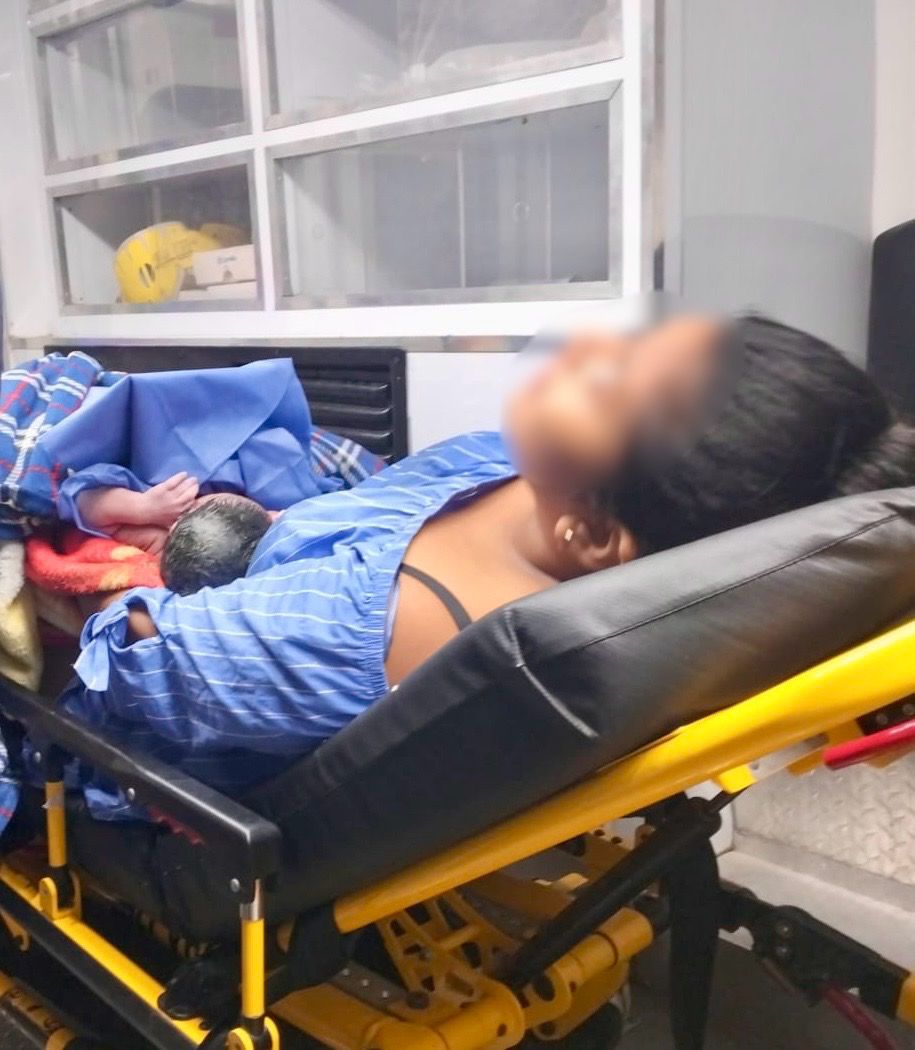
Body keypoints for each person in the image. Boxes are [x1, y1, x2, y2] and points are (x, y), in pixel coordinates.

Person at [65, 314, 915, 809]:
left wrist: (108, 568)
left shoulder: (343, 634)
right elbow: (385, 493)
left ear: (592, 535)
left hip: (153, 757)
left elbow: (126, 668)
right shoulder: (516, 476)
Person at [73, 477, 274, 594]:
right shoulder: (263, 534)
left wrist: (142, 508)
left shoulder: (157, 541)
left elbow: (86, 508)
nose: (192, 497)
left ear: (175, 524)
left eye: (192, 505)